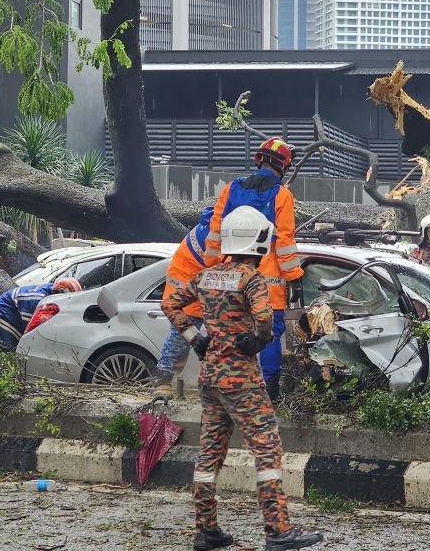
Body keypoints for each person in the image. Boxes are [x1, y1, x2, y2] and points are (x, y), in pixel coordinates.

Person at [162, 206, 323, 551]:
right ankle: (278, 531)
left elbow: (171, 302)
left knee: (209, 454)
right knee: (267, 450)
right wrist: (259, 339)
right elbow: (264, 316)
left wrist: (194, 338)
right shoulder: (252, 280)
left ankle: (206, 531)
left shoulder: (206, 276)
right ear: (260, 241)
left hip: (210, 379)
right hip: (243, 382)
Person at [203, 137, 304, 399]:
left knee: (231, 331)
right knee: (268, 336)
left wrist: (213, 268)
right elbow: (284, 242)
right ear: (282, 165)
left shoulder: (230, 190)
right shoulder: (282, 195)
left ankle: (228, 389)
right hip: (269, 281)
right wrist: (294, 278)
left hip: (230, 278)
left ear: (259, 159)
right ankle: (268, 392)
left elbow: (215, 233)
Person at [151, 206, 214, 399]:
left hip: (196, 285)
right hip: (189, 287)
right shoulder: (216, 232)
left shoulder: (216, 224)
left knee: (186, 339)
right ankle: (162, 381)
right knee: (180, 340)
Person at [0, 278, 82, 351]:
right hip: (4, 308)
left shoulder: (52, 294)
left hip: (18, 308)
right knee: (12, 345)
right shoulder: (37, 299)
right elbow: (30, 330)